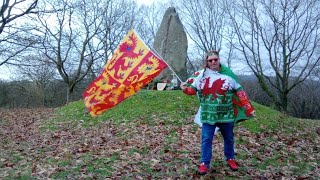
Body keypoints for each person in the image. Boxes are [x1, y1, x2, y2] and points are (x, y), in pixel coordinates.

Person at [180, 50, 255, 175]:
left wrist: (249, 109)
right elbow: (191, 91)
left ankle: (230, 159)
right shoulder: (201, 76)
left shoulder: (228, 75)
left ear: (219, 60)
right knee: (206, 139)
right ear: (207, 62)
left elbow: (240, 93)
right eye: (210, 60)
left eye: (215, 59)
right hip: (209, 115)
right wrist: (184, 89)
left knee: (229, 139)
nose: (213, 62)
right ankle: (204, 163)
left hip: (226, 115)